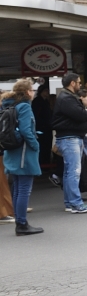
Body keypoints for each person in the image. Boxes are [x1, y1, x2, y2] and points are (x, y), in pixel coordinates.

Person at [3, 79, 43, 235]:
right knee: (24, 189)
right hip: (24, 152)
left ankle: (20, 221)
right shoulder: (25, 106)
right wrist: (36, 145)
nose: (33, 92)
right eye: (32, 90)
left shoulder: (8, 104)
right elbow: (27, 130)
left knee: (17, 188)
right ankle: (22, 224)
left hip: (12, 151)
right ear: (27, 92)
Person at [51, 72, 87, 213]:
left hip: (69, 137)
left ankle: (70, 202)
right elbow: (80, 115)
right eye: (79, 82)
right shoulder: (67, 98)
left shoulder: (65, 97)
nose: (80, 85)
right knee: (74, 172)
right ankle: (76, 203)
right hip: (70, 138)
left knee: (70, 171)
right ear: (72, 83)